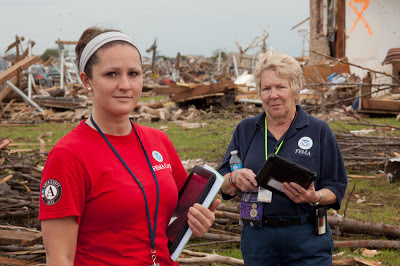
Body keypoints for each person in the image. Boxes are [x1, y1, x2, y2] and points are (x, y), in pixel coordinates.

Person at [39, 26, 220, 265]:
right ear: (87, 80)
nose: (125, 85)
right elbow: (59, 257)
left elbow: (174, 210)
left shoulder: (158, 141)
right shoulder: (68, 155)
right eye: (111, 74)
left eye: (133, 73)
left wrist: (199, 219)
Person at [218, 49, 347, 265]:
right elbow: (221, 183)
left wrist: (315, 197)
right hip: (258, 238)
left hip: (306, 236)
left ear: (296, 89)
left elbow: (336, 186)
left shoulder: (318, 130)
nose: (273, 94)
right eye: (266, 88)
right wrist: (233, 178)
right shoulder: (246, 129)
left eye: (280, 87)